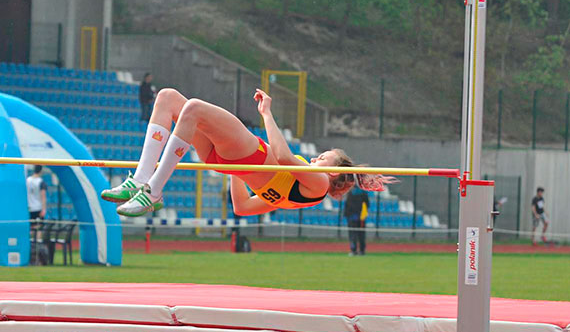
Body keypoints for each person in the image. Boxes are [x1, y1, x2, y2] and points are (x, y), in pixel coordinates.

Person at [101, 88, 391, 217]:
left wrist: (266, 113)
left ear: (333, 171)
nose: (316, 158)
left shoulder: (318, 184)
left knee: (194, 108)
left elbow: (284, 156)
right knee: (167, 98)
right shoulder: (292, 198)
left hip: (249, 153)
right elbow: (241, 207)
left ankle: (152, 192)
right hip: (230, 161)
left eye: (323, 157)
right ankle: (141, 181)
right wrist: (235, 169)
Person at [343, 187, 369, 256]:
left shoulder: (350, 193)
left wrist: (346, 215)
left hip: (352, 217)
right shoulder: (363, 193)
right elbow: (367, 204)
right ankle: (362, 251)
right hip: (361, 217)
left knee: (352, 234)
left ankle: (353, 250)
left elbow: (347, 206)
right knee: (361, 234)